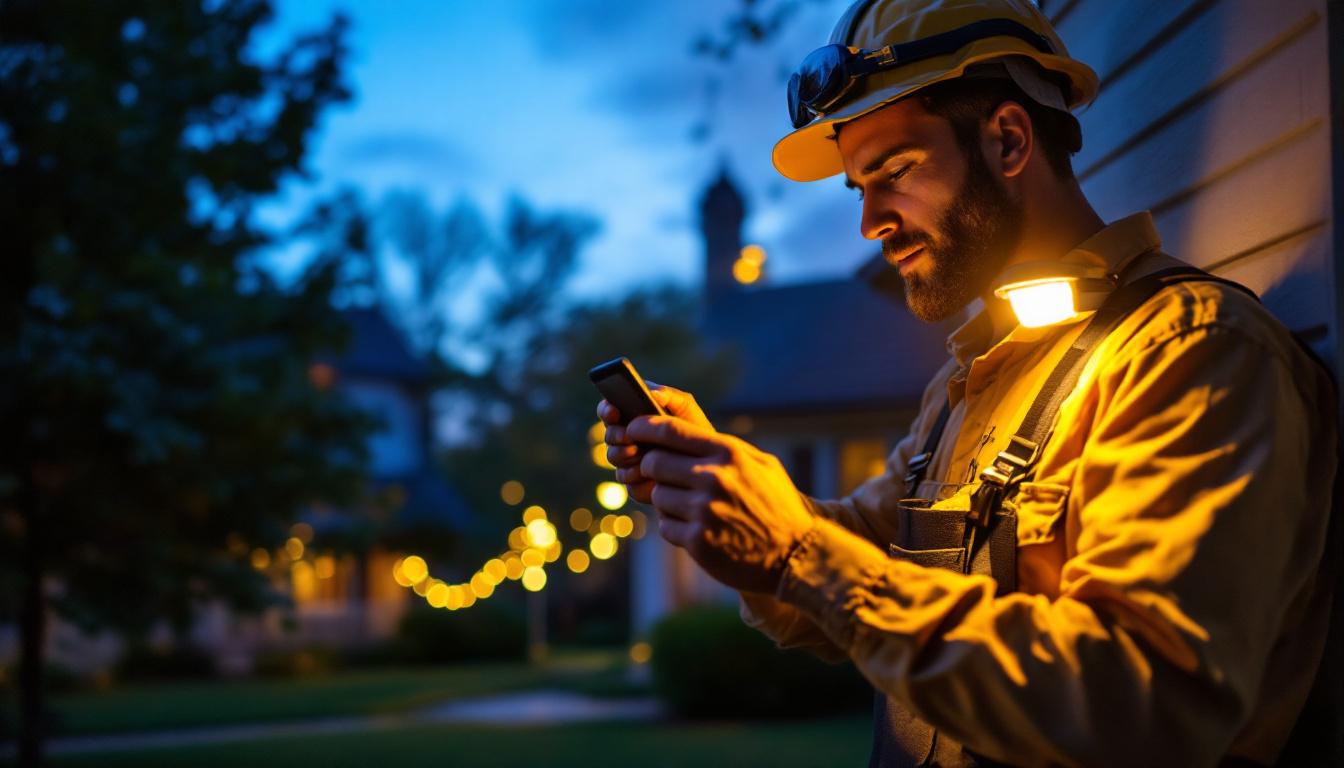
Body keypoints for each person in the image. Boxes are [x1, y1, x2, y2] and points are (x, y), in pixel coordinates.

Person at [596, 0, 1339, 765]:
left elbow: (1145, 704)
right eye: (860, 188)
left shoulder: (1190, 354)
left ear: (1010, 140)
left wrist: (799, 554)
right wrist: (731, 511)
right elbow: (862, 561)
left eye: (896, 172)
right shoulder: (970, 377)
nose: (871, 222)